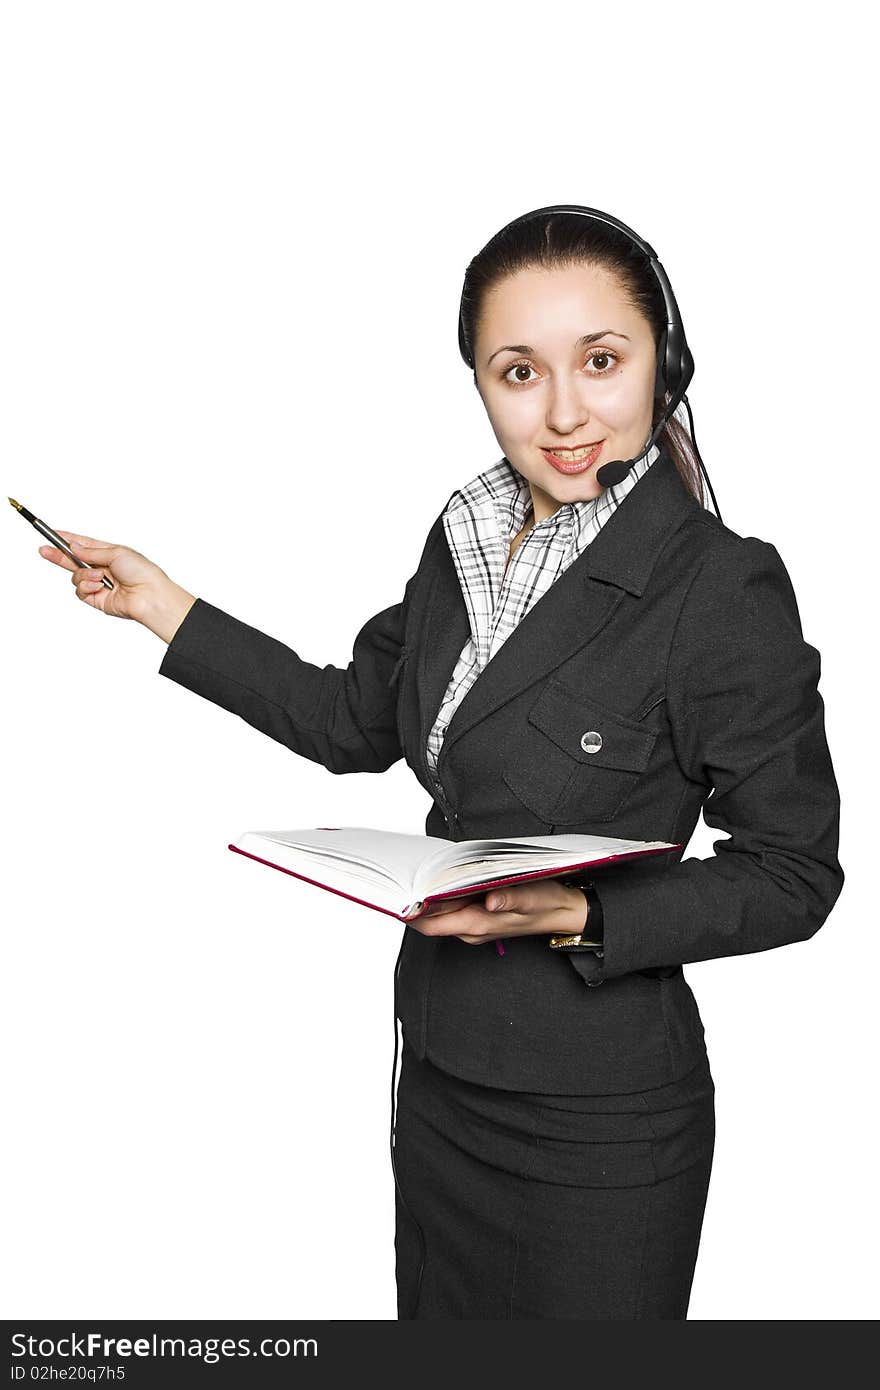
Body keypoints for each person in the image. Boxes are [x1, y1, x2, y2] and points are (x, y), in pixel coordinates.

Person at [37, 209, 844, 1320]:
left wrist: (576, 913)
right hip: (444, 1080)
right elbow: (350, 720)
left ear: (665, 357)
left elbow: (795, 870)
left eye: (601, 362)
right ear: (480, 382)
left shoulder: (718, 588)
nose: (564, 413)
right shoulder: (465, 537)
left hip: (594, 1126)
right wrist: (162, 607)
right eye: (519, 372)